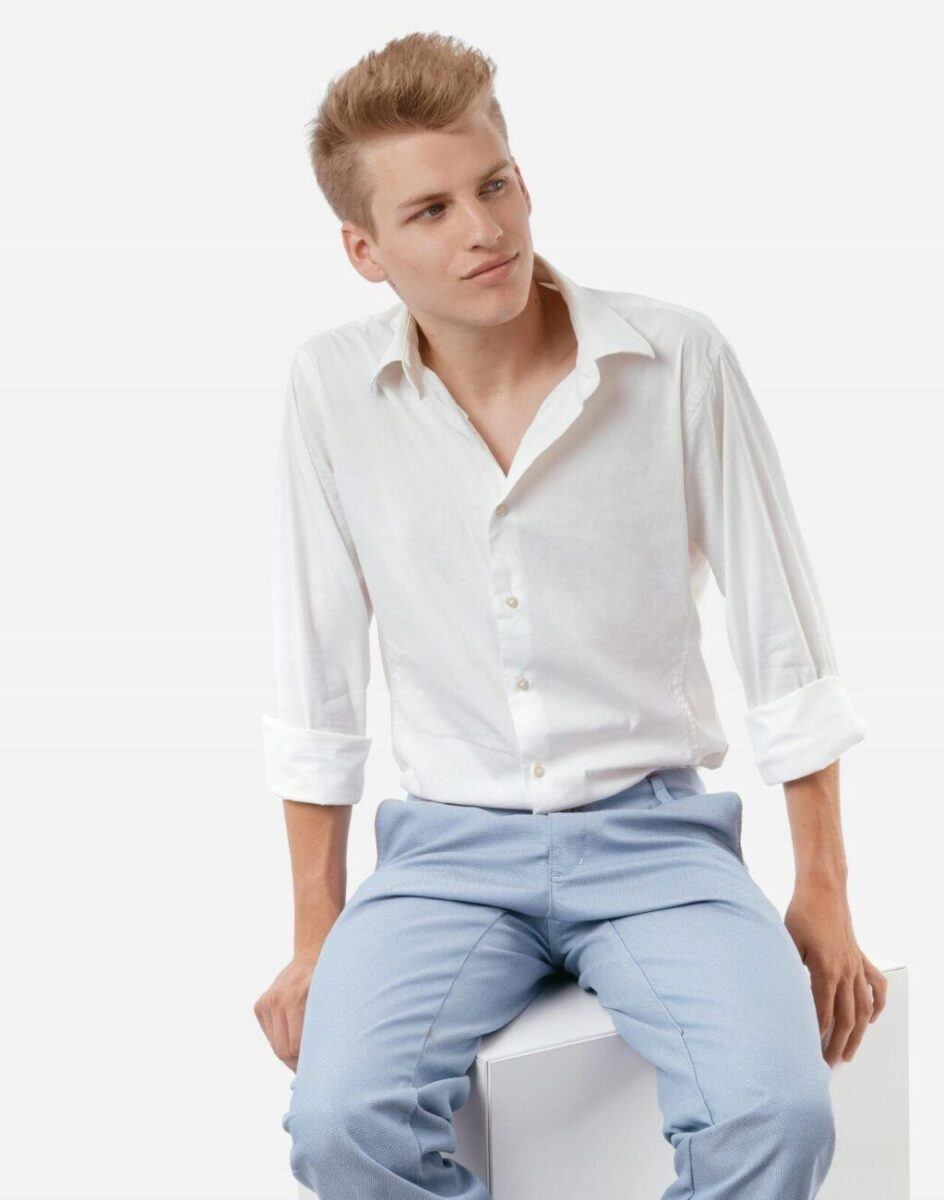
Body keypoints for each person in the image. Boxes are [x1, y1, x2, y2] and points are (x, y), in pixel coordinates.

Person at [252, 31, 885, 1200]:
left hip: (656, 842)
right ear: (363, 250)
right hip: (444, 856)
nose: (483, 229)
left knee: (776, 1115)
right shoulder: (329, 391)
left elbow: (783, 648)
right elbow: (317, 686)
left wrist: (823, 891)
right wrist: (313, 935)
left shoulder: (674, 358)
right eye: (430, 210)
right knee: (340, 1124)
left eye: (493, 185)